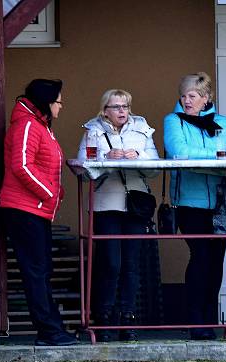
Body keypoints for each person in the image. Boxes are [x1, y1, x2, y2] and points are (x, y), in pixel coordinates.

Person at [163, 72, 226, 340]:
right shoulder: (173, 121)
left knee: (216, 260)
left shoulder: (224, 123)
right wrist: (218, 162)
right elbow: (180, 153)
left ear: (206, 98)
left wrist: (216, 166)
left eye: (193, 96)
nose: (187, 101)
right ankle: (196, 319)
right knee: (200, 256)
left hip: (222, 203)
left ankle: (210, 319)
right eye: (184, 95)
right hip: (190, 201)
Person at [0, 79, 77, 346]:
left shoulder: (39, 125)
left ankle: (53, 328)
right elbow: (21, 166)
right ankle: (48, 332)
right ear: (46, 102)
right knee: (36, 272)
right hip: (23, 210)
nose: (61, 106)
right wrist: (50, 193)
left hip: (36, 210)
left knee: (41, 271)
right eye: (58, 101)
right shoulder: (28, 125)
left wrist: (55, 193)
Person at [76, 89, 160, 342]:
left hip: (135, 205)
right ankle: (104, 319)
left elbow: (155, 166)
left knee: (132, 265)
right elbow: (82, 168)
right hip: (106, 205)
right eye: (116, 107)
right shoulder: (93, 130)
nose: (122, 111)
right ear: (105, 110)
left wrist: (139, 156)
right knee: (110, 263)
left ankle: (128, 318)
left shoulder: (142, 128)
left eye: (125, 106)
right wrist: (105, 158)